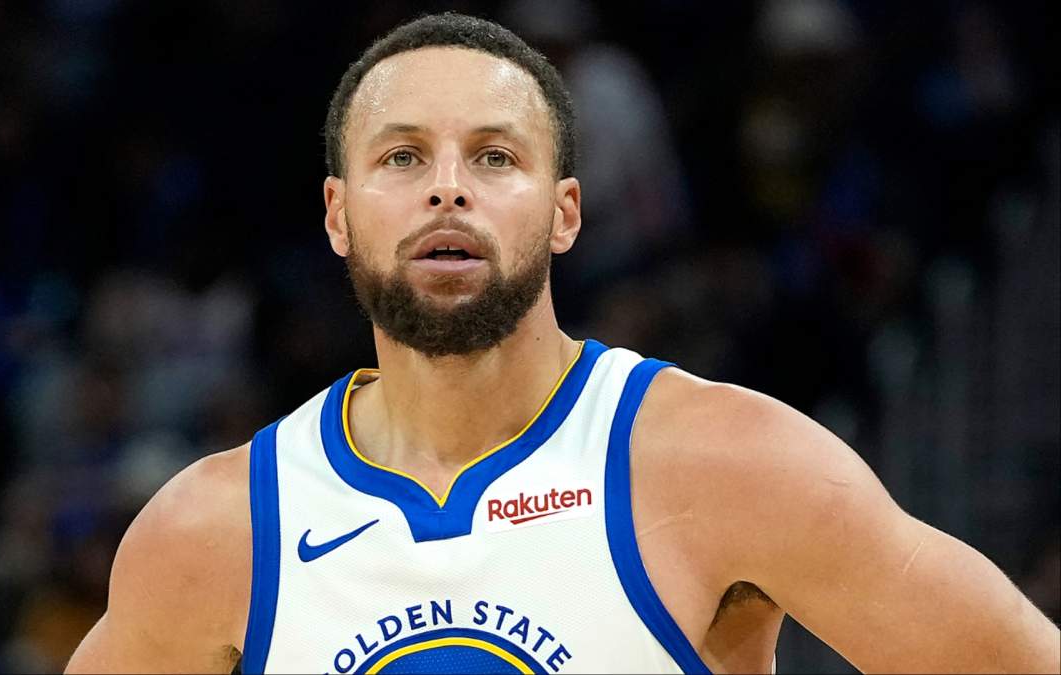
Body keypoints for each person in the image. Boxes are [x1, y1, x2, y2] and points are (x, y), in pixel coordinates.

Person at [65, 12, 1060, 674]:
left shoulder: (730, 465)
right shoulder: (214, 533)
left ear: (565, 212)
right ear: (337, 213)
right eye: (401, 156)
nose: (446, 188)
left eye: (494, 157)